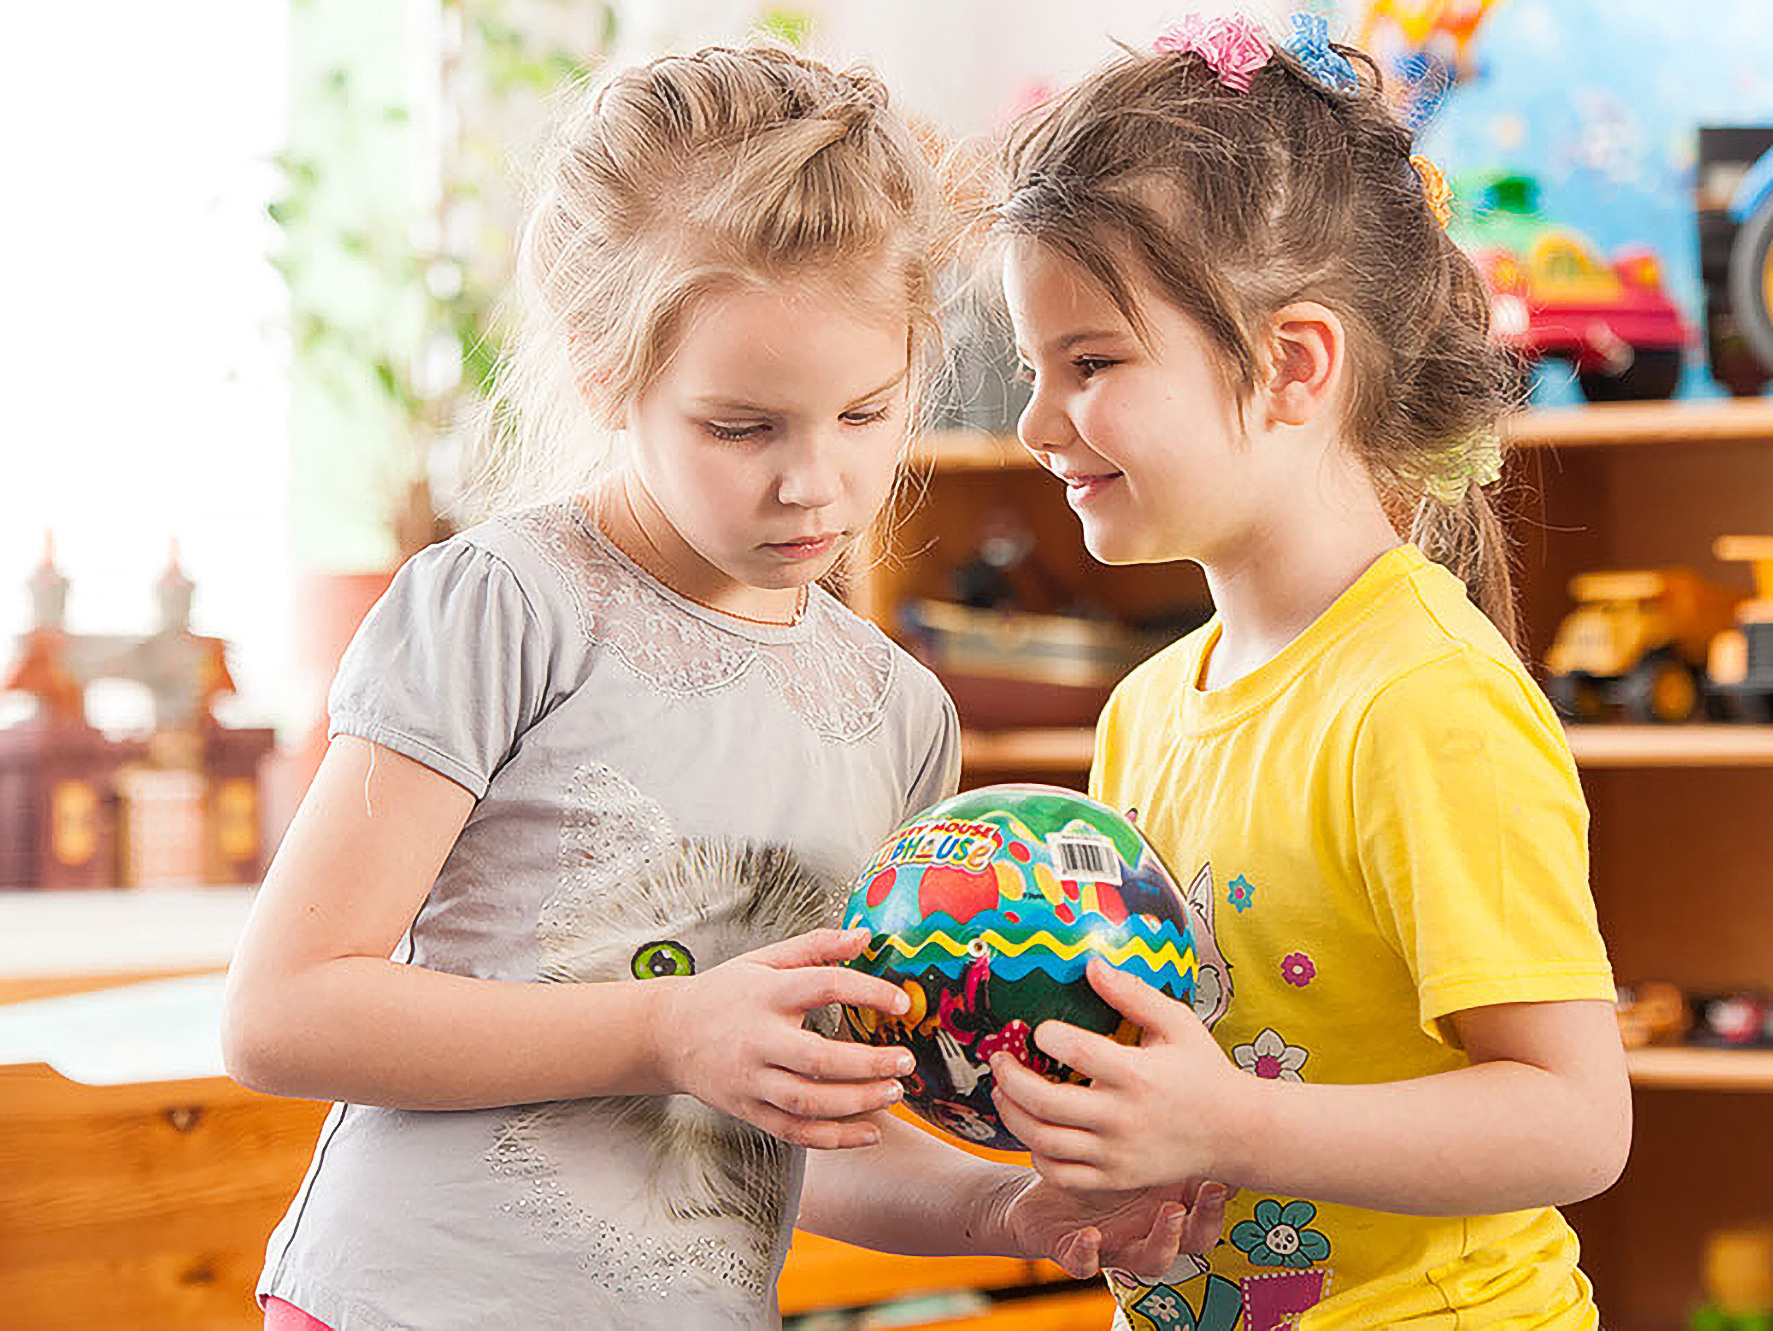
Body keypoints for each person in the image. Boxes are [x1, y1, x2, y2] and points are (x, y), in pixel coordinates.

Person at [224, 43, 1223, 1331]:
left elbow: (808, 1130)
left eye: (866, 413)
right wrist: (665, 1032)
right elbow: (283, 1011)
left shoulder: (899, 714)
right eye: (743, 428)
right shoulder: (507, 607)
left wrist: (1001, 1212)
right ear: (605, 370)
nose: (813, 482)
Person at [988, 14, 1630, 1329]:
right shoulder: (1146, 713)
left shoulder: (1426, 700)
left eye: (1092, 364)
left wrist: (1228, 1125)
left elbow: (1575, 1120)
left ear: (1291, 365)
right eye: (1032, 369)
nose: (1038, 423)